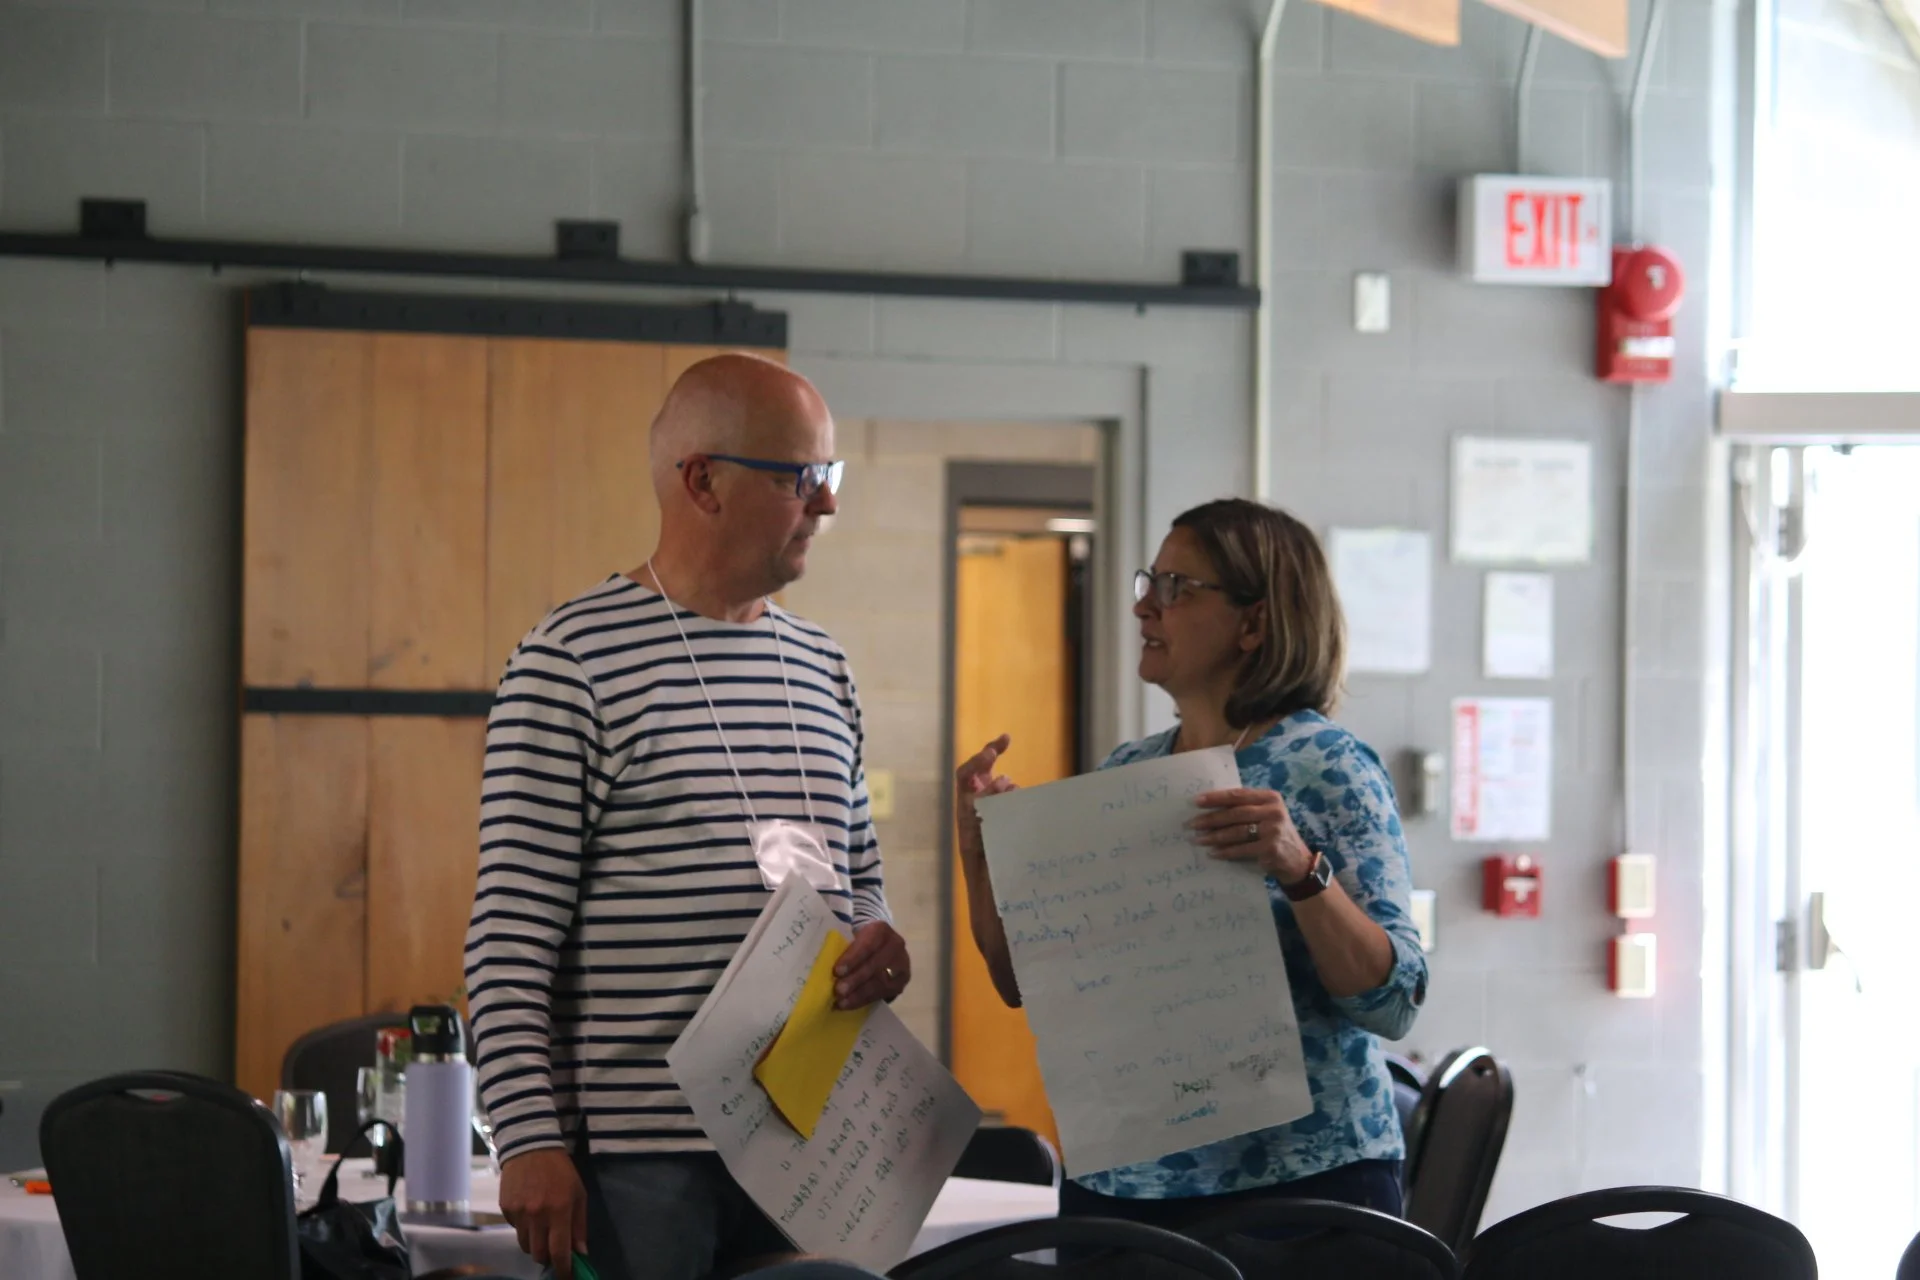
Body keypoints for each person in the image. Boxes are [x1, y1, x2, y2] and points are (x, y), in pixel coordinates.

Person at [464, 354, 911, 1280]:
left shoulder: (822, 667)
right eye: (802, 478)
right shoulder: (571, 662)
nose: (827, 504)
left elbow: (861, 878)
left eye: (830, 475)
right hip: (641, 1159)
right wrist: (528, 1139)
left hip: (809, 1138)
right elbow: (509, 939)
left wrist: (879, 937)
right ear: (703, 481)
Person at [954, 498, 1427, 1224]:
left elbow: (1394, 1003)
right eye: (1150, 582)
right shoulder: (1128, 773)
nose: (1144, 607)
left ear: (1254, 623)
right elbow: (1019, 982)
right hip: (1124, 1187)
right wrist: (979, 847)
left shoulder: (1329, 765)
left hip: (1299, 1187)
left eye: (1176, 588)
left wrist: (1299, 868)